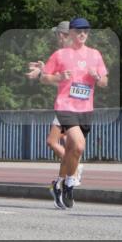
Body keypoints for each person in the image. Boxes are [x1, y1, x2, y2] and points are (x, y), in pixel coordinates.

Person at [40, 18, 108, 209]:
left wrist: (98, 77)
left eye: (86, 31)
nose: (82, 34)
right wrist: (58, 77)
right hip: (65, 106)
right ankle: (70, 183)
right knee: (79, 145)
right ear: (70, 33)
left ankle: (58, 184)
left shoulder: (95, 55)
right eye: (79, 31)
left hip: (85, 109)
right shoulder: (60, 55)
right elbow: (45, 77)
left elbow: (104, 82)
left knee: (72, 151)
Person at [26, 21, 72, 170]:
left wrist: (40, 73)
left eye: (56, 35)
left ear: (61, 35)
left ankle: (74, 167)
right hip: (76, 105)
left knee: (52, 141)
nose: (56, 38)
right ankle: (68, 176)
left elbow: (60, 80)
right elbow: (61, 81)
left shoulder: (65, 54)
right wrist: (44, 69)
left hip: (67, 106)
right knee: (66, 139)